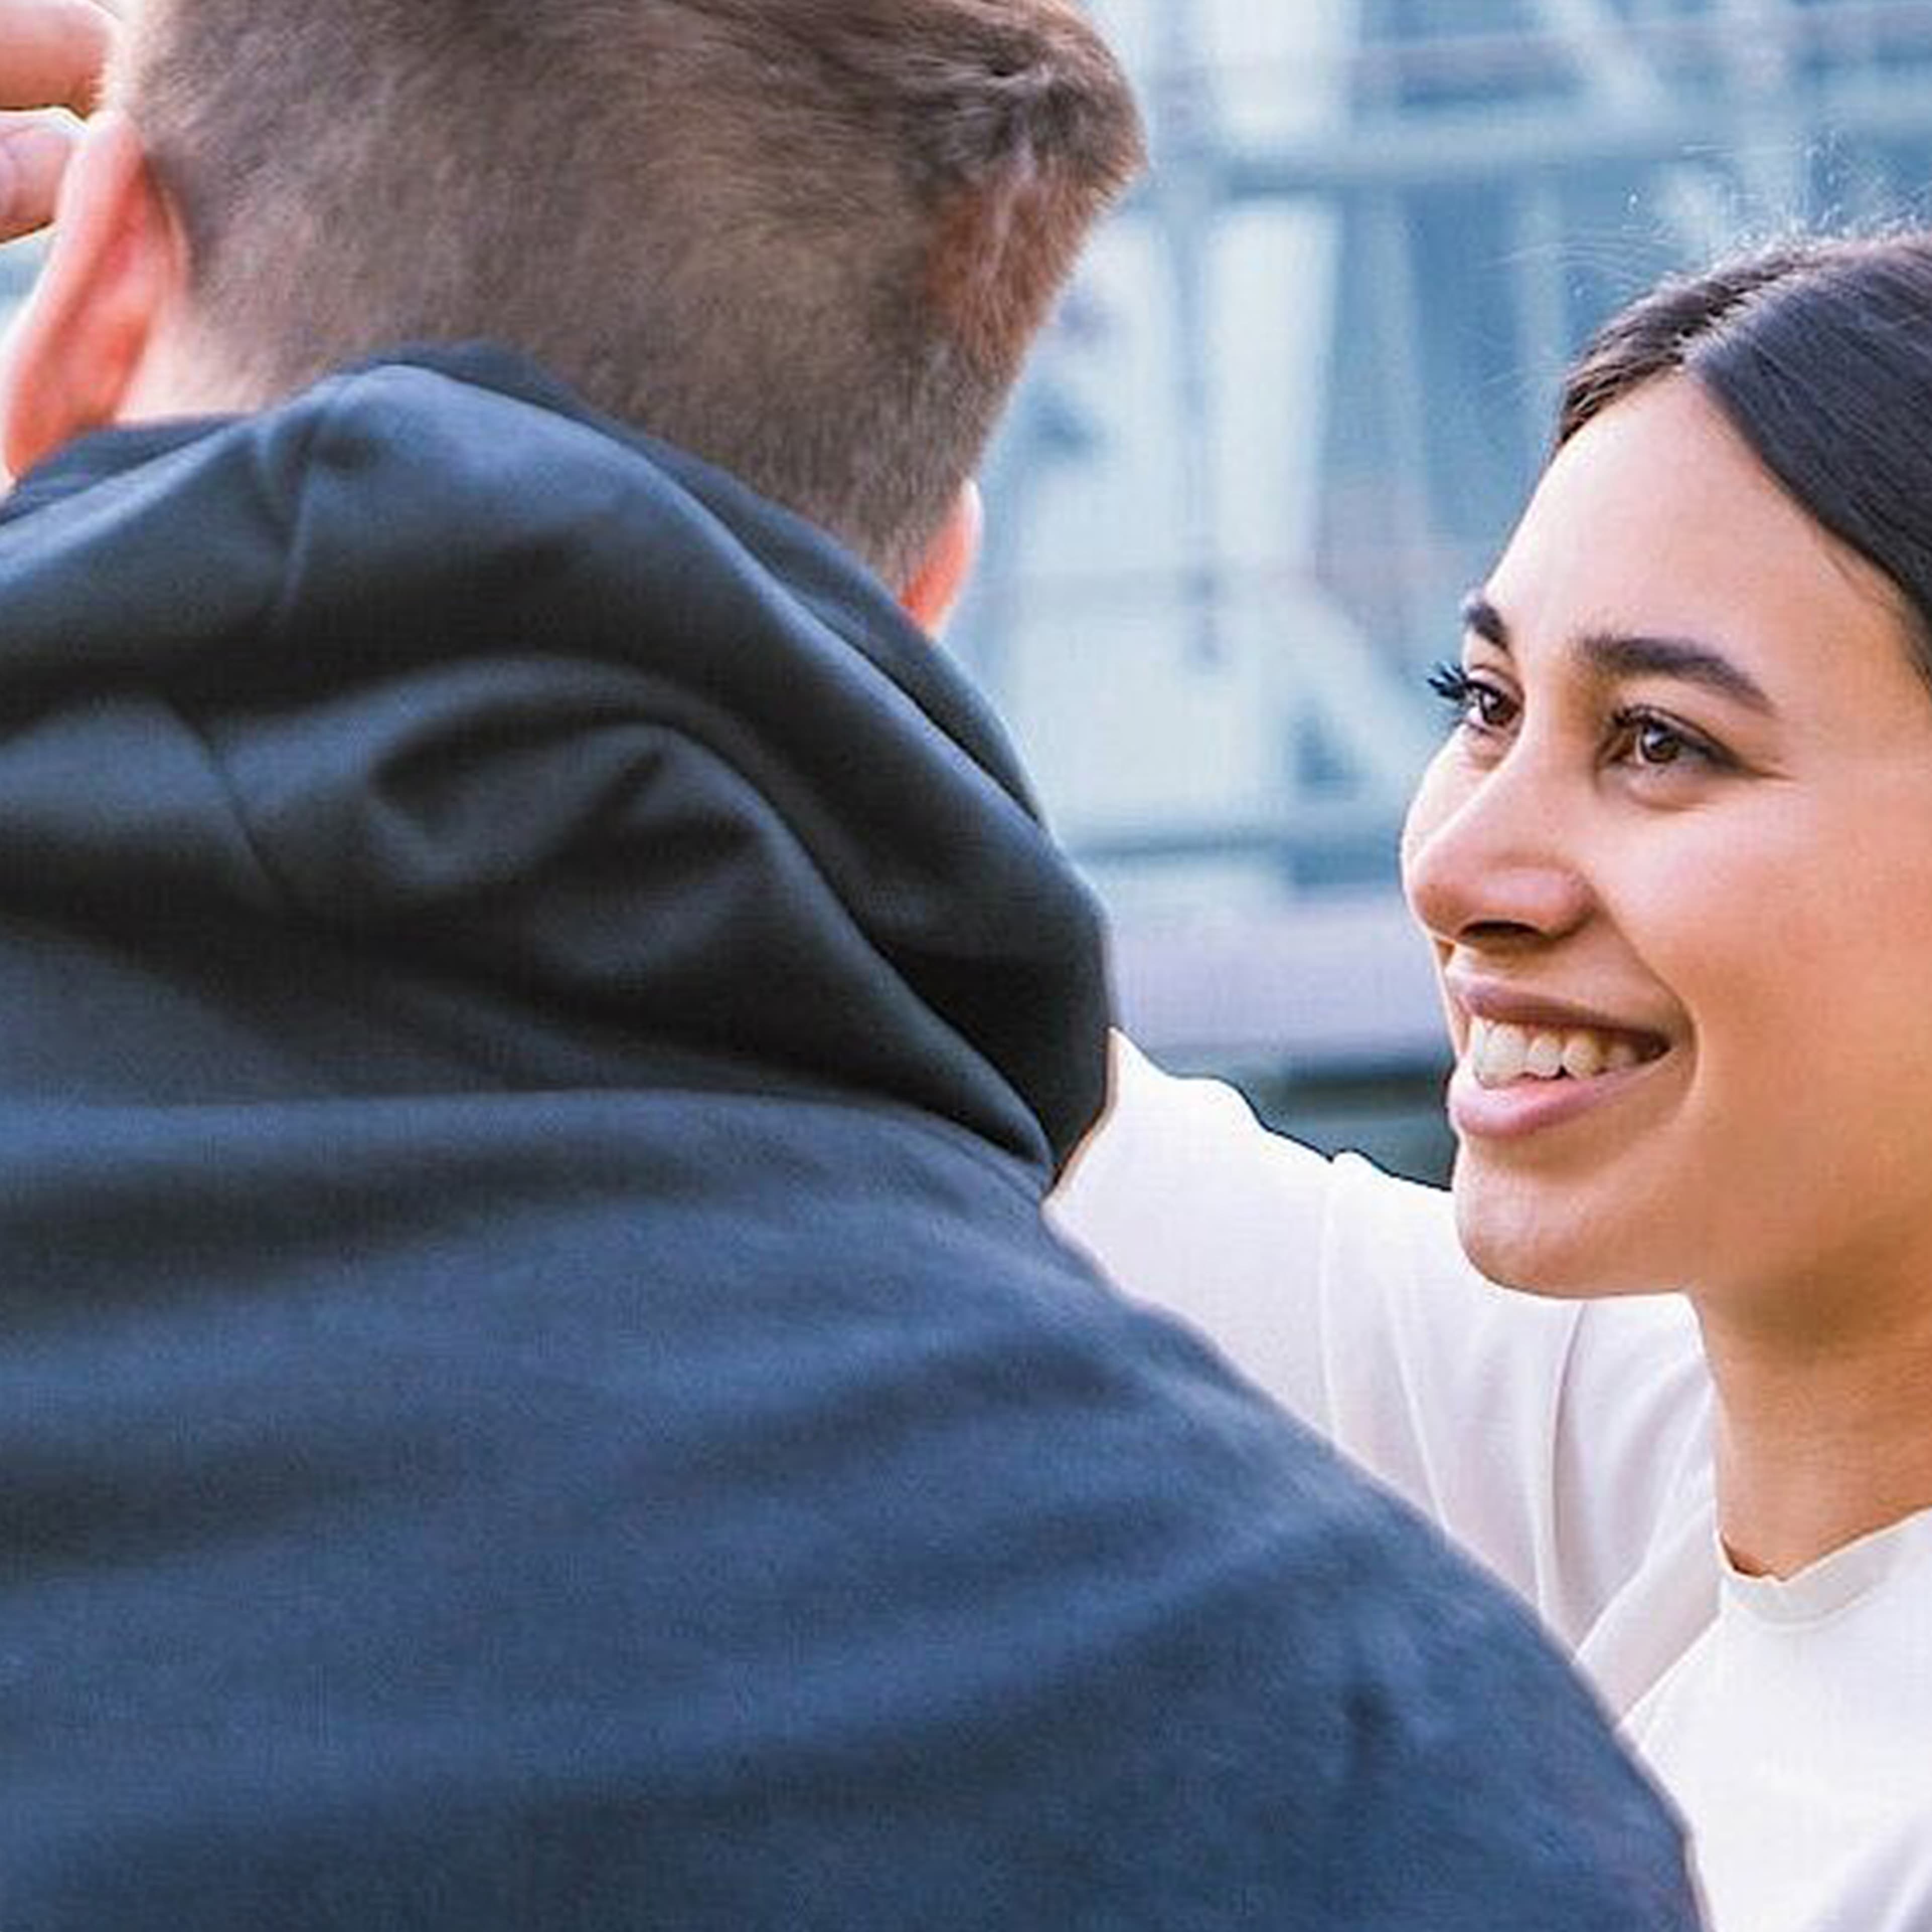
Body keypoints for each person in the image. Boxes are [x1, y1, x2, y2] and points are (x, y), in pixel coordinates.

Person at [0, 4, 1702, 1928]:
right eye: (1482, 705)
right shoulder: (1394, 1774)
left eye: (1663, 743)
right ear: (916, 596)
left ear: (95, 299)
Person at [1056, 232, 1932, 1932]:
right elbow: (1014, 1107)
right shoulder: (1691, 1463)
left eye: (1660, 740)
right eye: (1485, 702)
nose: (1462, 866)